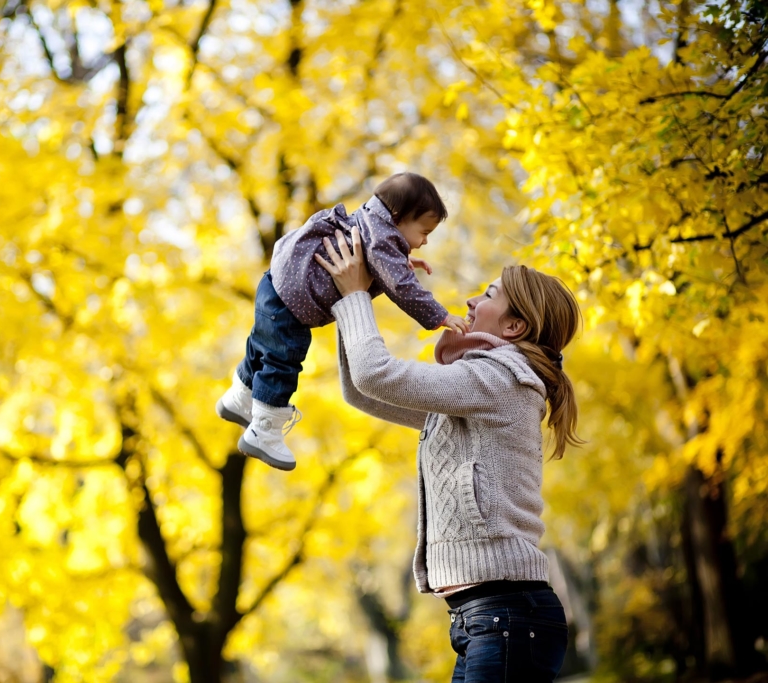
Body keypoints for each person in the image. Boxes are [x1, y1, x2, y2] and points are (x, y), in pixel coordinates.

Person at [315, 224, 582, 682]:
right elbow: (363, 390)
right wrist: (357, 294)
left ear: (514, 326)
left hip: (507, 617)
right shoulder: (476, 389)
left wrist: (357, 295)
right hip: (488, 619)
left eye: (489, 295)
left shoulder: (500, 380)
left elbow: (376, 373)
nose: (472, 302)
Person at [216, 172, 469, 471]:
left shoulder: (368, 222)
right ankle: (264, 431)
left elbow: (380, 258)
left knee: (262, 346)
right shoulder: (382, 240)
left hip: (273, 285)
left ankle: (239, 397)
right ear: (398, 218)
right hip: (294, 301)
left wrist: (405, 259)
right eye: (424, 231)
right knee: (284, 358)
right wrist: (440, 316)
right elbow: (401, 287)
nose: (425, 241)